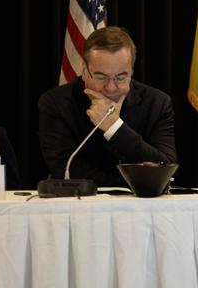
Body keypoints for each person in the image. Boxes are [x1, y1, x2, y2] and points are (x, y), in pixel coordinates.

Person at [38, 27, 176, 187]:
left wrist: (114, 128)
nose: (111, 87)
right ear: (84, 69)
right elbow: (65, 169)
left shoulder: (157, 103)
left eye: (120, 77)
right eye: (101, 76)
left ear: (131, 71)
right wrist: (127, 184)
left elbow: (165, 169)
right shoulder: (55, 103)